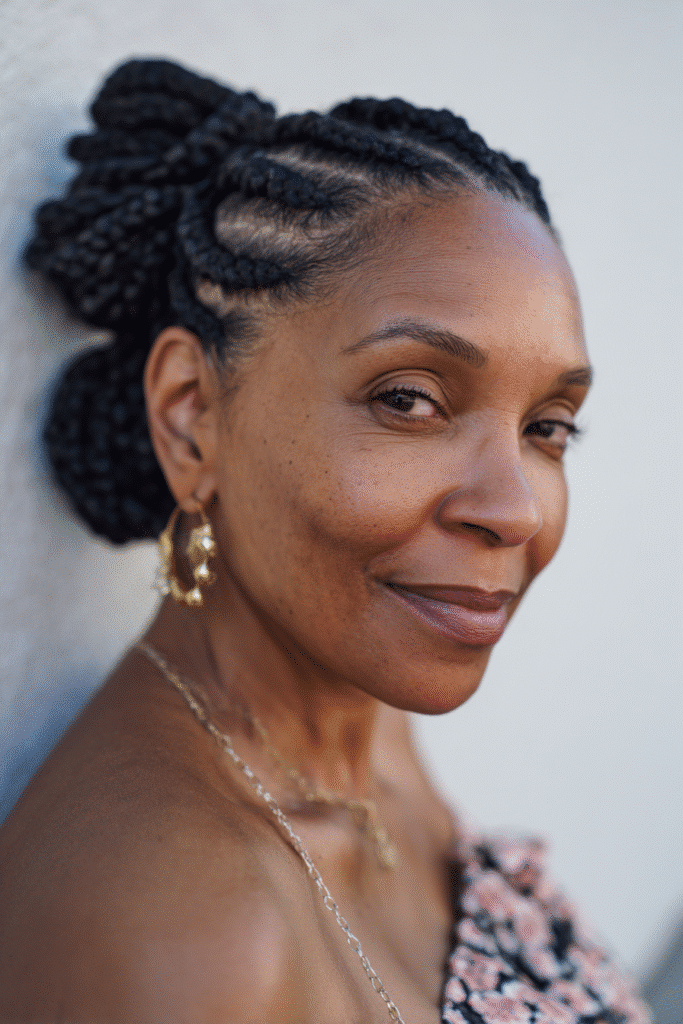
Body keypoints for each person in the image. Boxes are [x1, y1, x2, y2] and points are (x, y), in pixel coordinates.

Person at [0, 59, 651, 1024]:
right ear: (192, 419)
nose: (513, 509)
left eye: (546, 426)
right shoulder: (184, 928)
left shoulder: (362, 703)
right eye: (408, 400)